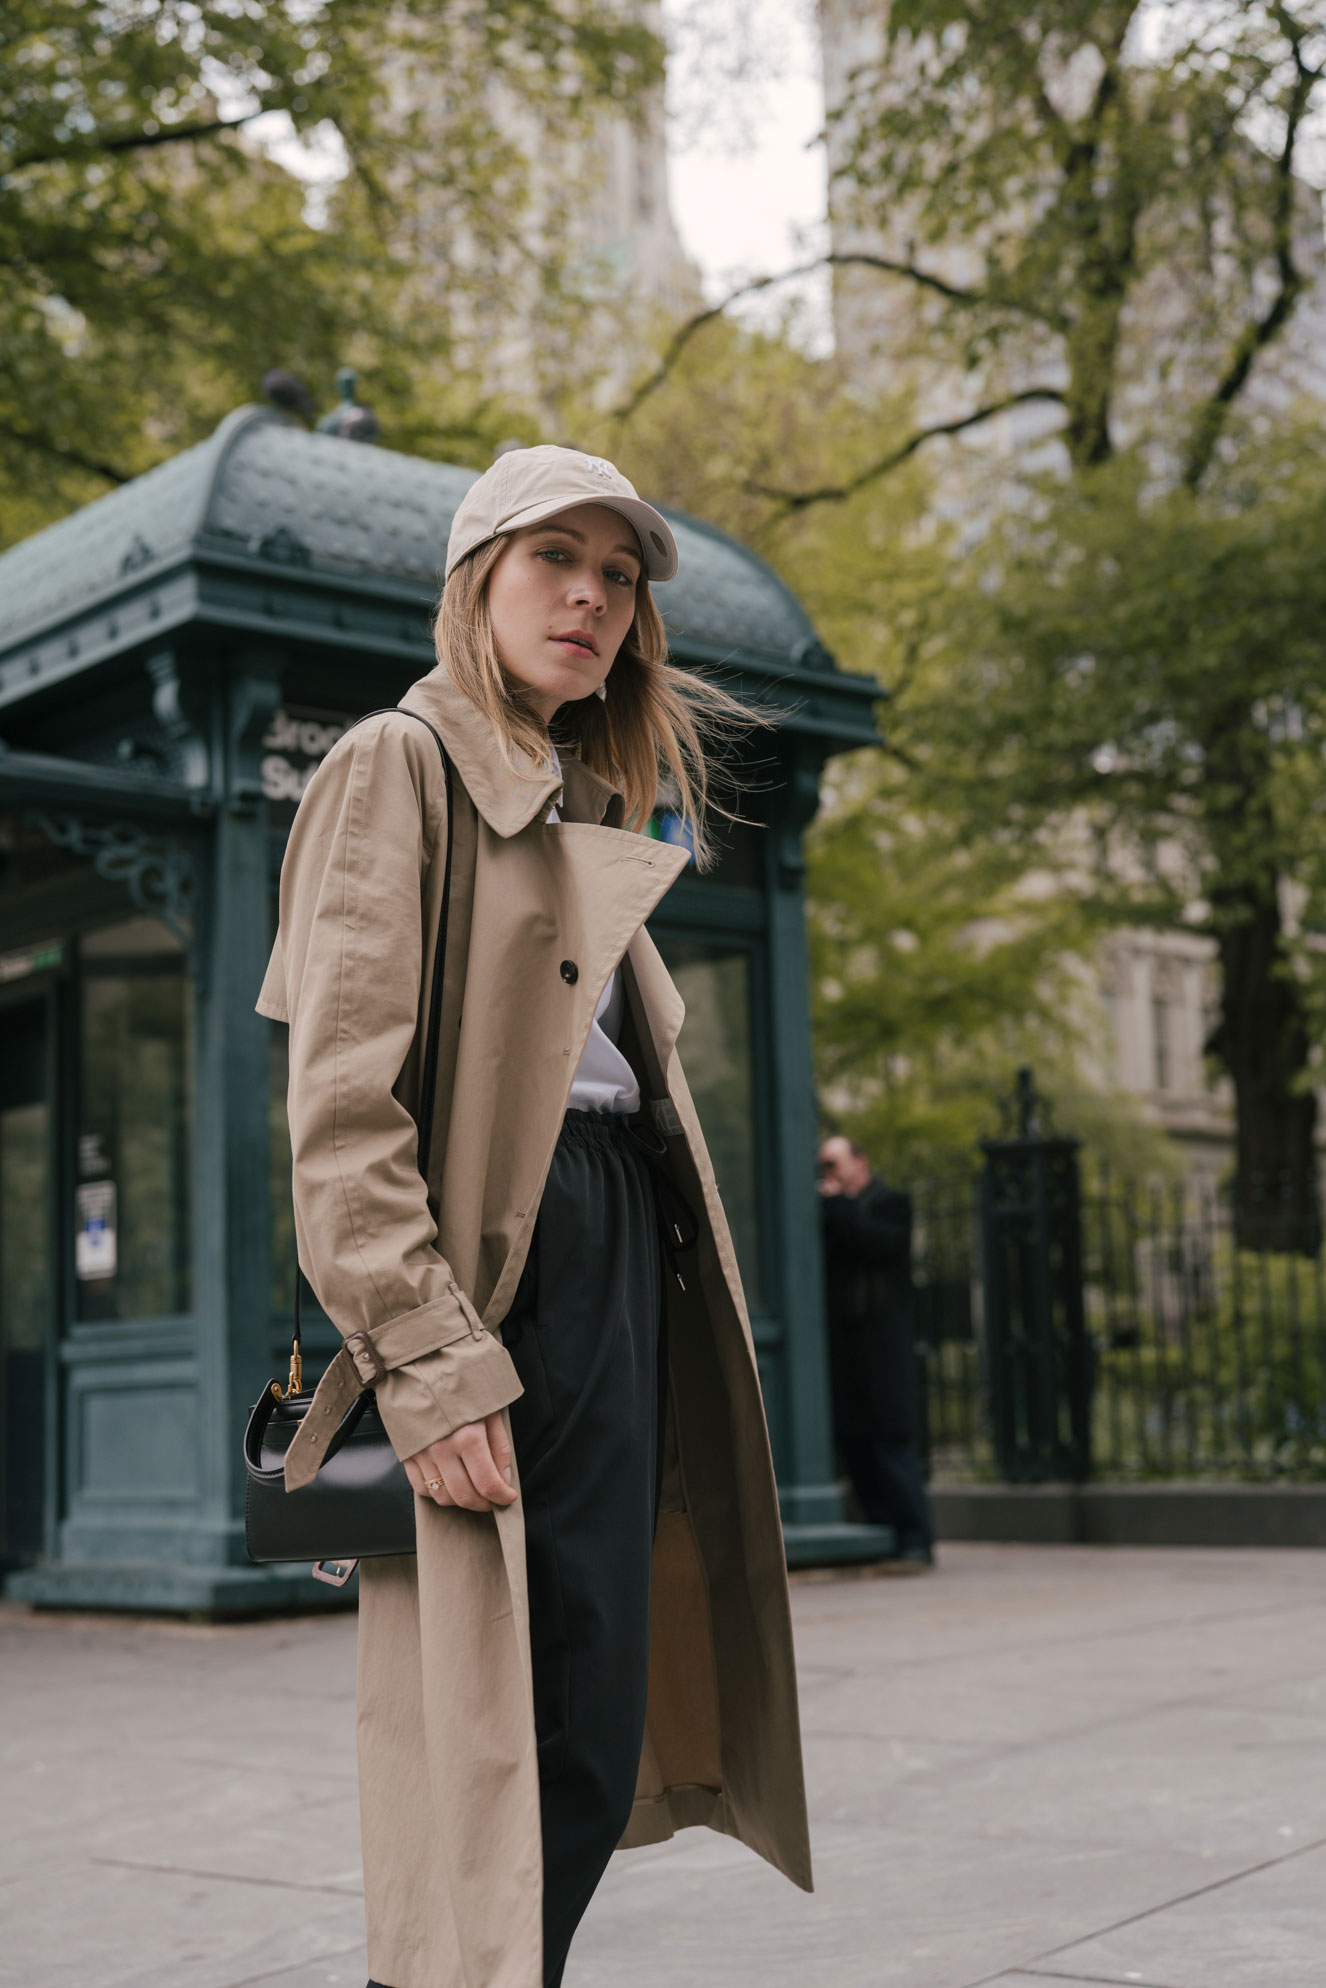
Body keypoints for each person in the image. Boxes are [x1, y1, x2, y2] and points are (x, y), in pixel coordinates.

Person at [258, 446, 811, 1988]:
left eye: (617, 575)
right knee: (512, 1725)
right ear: (474, 581)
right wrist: (428, 1359)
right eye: (552, 559)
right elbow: (343, 1102)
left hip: (616, 1241)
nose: (591, 597)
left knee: (588, 1702)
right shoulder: (398, 762)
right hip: (509, 1267)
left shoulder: (580, 799)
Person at [817, 1134, 935, 1564]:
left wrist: (838, 1206)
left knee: (890, 1444)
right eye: (822, 1166)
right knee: (855, 1446)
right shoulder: (828, 1212)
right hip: (844, 1351)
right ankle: (884, 1531)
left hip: (883, 1351)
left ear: (860, 1164)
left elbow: (880, 1243)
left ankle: (915, 1537)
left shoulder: (889, 1204)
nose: (826, 1174)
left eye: (833, 1164)